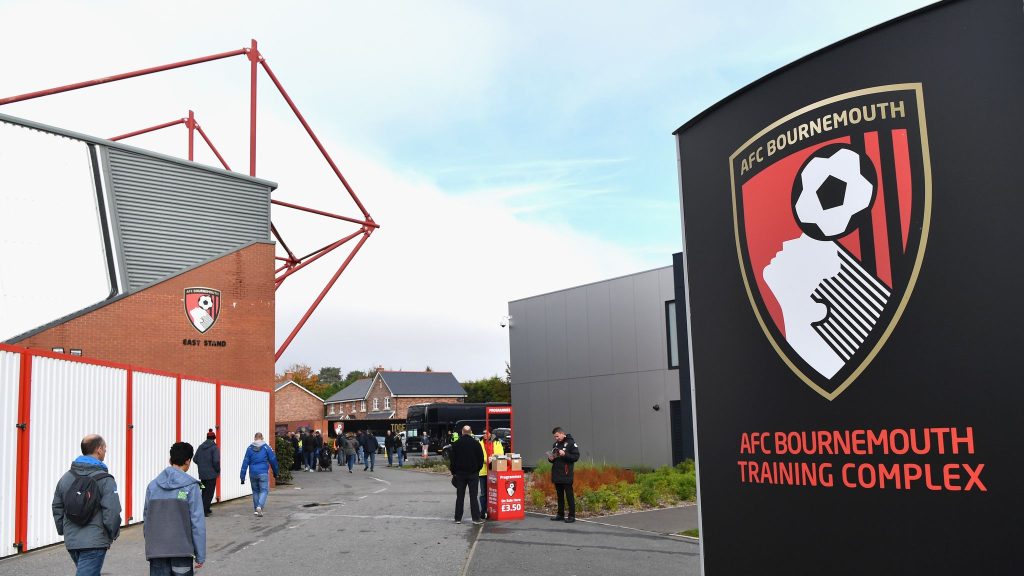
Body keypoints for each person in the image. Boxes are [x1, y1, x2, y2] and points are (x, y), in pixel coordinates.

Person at [52, 434, 122, 576]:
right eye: (105, 448)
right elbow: (112, 510)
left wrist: (65, 531)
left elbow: (57, 506)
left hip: (72, 541)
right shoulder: (105, 480)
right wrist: (111, 534)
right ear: (99, 449)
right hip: (94, 542)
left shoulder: (66, 478)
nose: (105, 451)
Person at [144, 442, 206, 575]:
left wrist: (151, 546)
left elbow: (147, 520)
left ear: (170, 460)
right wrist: (200, 554)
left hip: (157, 551)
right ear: (188, 461)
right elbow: (197, 522)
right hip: (182, 550)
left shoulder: (153, 486)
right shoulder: (191, 486)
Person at [449, 425, 485, 525]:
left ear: (462, 432)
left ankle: (458, 518)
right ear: (471, 432)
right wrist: (477, 469)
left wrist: (454, 472)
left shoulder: (456, 444)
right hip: (473, 474)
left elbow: (452, 460)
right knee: (473, 496)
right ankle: (476, 518)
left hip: (460, 474)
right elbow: (481, 459)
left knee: (460, 496)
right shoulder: (476, 444)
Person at [239, 432, 280, 517]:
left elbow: (245, 463)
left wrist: (242, 477)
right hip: (263, 473)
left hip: (253, 473)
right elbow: (273, 460)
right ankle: (259, 506)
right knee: (264, 490)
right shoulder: (266, 447)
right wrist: (276, 473)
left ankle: (256, 510)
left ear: (255, 438)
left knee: (255, 491)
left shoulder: (249, 448)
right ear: (262, 438)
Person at [547, 427, 580, 523]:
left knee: (569, 495)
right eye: (555, 437)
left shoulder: (571, 443)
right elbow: (553, 458)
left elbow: (576, 457)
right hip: (557, 473)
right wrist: (550, 458)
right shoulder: (556, 444)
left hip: (566, 474)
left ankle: (571, 516)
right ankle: (560, 514)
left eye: (557, 436)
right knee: (559, 495)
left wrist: (564, 454)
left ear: (562, 433)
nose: (556, 438)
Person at [193, 428, 220, 517]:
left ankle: (205, 508)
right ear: (214, 438)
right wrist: (217, 470)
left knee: (204, 491)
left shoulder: (201, 447)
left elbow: (195, 459)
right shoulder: (214, 448)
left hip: (202, 475)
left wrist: (202, 465)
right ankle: (204, 511)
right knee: (209, 492)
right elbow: (216, 461)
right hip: (211, 475)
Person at [478, 428, 504, 518]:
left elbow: (501, 453)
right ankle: (483, 511)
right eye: (483, 433)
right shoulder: (480, 442)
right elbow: (478, 454)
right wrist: (485, 460)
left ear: (490, 433)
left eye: (486, 433)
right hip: (483, 471)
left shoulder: (497, 442)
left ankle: (493, 510)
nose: (484, 434)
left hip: (494, 471)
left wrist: (493, 458)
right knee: (483, 493)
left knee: (493, 492)